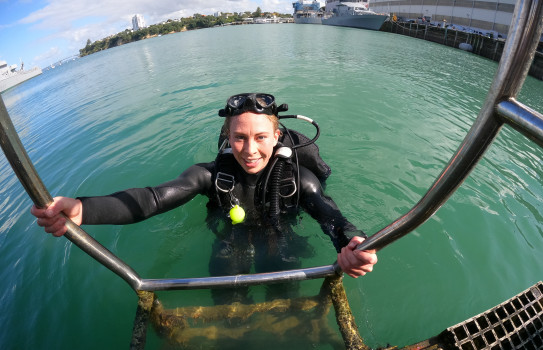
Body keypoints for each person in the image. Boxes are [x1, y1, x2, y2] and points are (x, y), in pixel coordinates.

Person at [31, 93, 377, 302]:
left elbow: (332, 218)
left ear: (277, 135)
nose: (250, 150)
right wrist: (82, 208)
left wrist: (352, 245)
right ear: (227, 136)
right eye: (239, 137)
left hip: (279, 236)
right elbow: (152, 199)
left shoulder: (300, 179)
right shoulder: (209, 175)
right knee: (226, 294)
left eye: (260, 137)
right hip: (231, 238)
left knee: (283, 290)